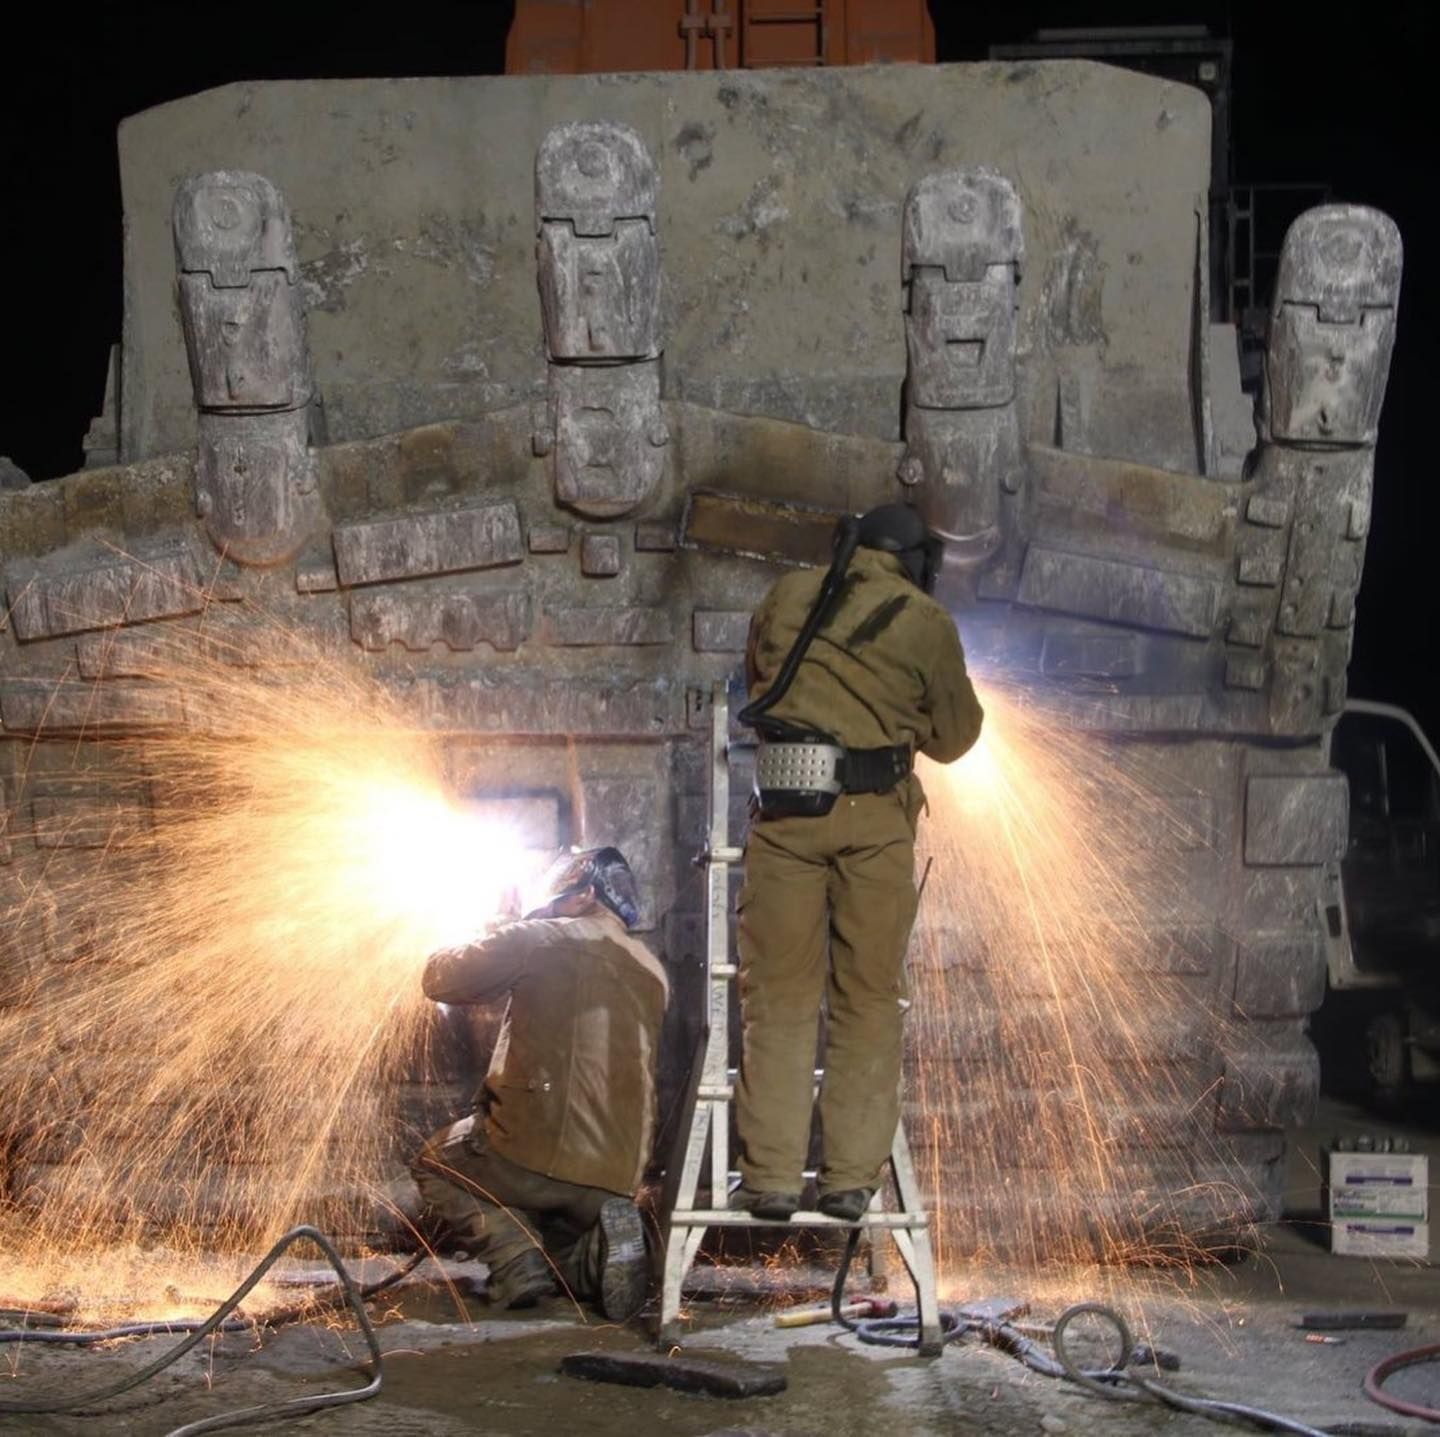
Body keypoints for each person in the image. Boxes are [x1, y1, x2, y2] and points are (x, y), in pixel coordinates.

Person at [731, 503, 983, 1222]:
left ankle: (772, 1178)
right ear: (915, 561)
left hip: (783, 820)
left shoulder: (785, 596)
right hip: (872, 825)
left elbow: (760, 678)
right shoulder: (924, 619)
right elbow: (957, 738)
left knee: (776, 998)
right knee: (867, 998)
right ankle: (847, 1179)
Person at [411, 846, 668, 1318]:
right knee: (558, 1241)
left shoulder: (539, 938)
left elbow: (440, 978)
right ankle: (591, 1260)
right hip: (617, 1175)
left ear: (583, 895)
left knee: (434, 1162)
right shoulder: (652, 971)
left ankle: (514, 1261)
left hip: (532, 1154)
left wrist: (495, 931)